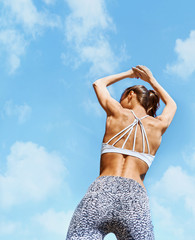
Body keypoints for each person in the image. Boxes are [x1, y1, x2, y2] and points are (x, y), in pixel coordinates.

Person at [66, 65, 177, 240]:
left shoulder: (117, 112)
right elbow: (172, 105)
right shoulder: (158, 126)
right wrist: (151, 80)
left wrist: (129, 74)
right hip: (135, 198)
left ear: (130, 95)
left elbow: (99, 84)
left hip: (101, 192)